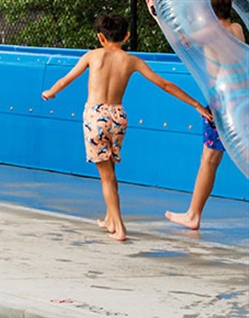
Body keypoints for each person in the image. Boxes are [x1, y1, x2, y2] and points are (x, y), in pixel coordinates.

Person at [41, 13, 212, 242]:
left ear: (101, 37)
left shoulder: (93, 56)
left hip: (96, 115)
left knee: (106, 176)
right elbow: (164, 83)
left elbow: (66, 79)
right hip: (118, 116)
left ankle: (119, 226)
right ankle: (110, 219)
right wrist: (197, 105)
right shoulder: (132, 61)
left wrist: (50, 92)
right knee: (110, 170)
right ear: (127, 36)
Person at [149, 0, 246, 231]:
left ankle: (193, 215)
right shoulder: (236, 29)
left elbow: (179, 40)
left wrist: (156, 12)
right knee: (215, 158)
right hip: (242, 98)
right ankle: (193, 213)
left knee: (209, 161)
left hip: (222, 105)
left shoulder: (211, 32)